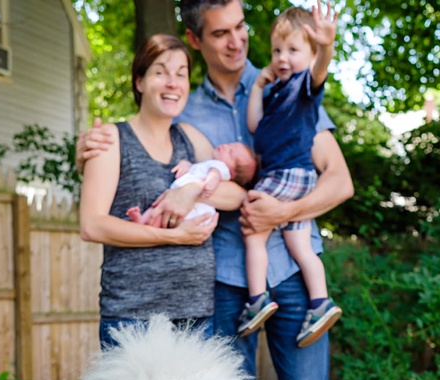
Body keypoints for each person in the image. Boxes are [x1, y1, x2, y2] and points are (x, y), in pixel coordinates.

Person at [78, 0, 355, 380]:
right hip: (223, 282)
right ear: (194, 39)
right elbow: (145, 149)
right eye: (220, 33)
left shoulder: (285, 77)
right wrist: (95, 142)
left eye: (241, 30)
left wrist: (285, 209)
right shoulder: (185, 108)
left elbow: (339, 179)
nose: (236, 43)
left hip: (293, 273)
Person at [79, 34, 243, 348]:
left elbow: (235, 194)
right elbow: (92, 225)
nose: (173, 82)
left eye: (181, 74)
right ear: (139, 81)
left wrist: (192, 189)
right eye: (161, 72)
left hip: (195, 314)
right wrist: (172, 236)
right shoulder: (111, 139)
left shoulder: (190, 138)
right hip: (132, 316)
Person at [239, 3, 343, 348]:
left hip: (285, 174)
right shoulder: (276, 91)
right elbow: (254, 125)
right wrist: (257, 86)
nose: (283, 58)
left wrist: (325, 47)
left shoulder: (304, 87)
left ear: (310, 56)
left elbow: (319, 73)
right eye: (277, 50)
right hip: (297, 179)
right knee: (300, 245)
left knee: (253, 230)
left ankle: (257, 299)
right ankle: (320, 302)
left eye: (294, 50)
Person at [126, 141, 257, 225]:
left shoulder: (219, 167)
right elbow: (195, 169)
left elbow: (214, 175)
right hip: (182, 200)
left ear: (232, 173)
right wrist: (185, 165)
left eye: (230, 152)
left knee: (164, 212)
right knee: (160, 208)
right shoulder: (207, 164)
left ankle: (143, 221)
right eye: (230, 145)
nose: (225, 146)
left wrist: (208, 185)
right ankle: (142, 221)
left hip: (195, 206)